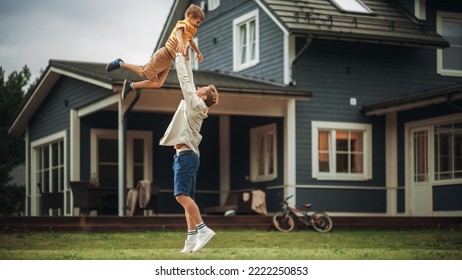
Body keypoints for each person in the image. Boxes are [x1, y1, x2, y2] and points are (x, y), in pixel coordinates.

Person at [159, 52, 219, 253]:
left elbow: (184, 80)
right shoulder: (198, 103)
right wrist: (185, 58)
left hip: (186, 157)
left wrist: (177, 57)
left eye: (201, 89)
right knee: (187, 199)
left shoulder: (195, 103)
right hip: (187, 156)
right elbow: (190, 79)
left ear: (203, 96)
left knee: (181, 196)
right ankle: (191, 239)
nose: (198, 88)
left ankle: (203, 230)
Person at [105, 4, 205, 100]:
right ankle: (120, 63)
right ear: (190, 17)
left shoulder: (192, 30)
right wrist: (181, 43)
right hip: (164, 54)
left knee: (158, 83)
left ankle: (131, 85)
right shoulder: (183, 23)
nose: (198, 25)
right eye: (197, 22)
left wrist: (198, 52)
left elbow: (191, 41)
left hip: (169, 61)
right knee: (143, 72)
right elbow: (179, 32)